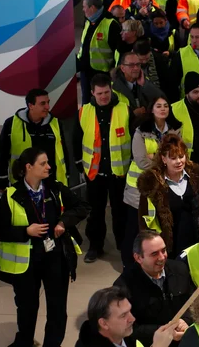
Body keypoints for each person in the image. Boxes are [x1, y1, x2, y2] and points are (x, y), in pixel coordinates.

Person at [0, 147, 89, 347]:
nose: (49, 167)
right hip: (26, 263)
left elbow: (82, 206)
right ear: (28, 167)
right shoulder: (12, 194)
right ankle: (25, 342)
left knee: (57, 308)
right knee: (27, 307)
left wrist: (63, 222)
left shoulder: (54, 188)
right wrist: (25, 232)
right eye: (43, 163)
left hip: (55, 257)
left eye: (48, 162)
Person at [74, 73, 132, 263]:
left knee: (120, 213)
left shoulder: (124, 109)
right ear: (92, 93)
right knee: (95, 212)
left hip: (119, 172)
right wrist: (78, 166)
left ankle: (124, 247)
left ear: (111, 90)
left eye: (106, 92)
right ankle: (95, 246)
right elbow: (76, 139)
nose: (104, 97)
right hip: (94, 172)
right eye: (99, 94)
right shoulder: (84, 112)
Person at [123, 97, 182, 267]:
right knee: (135, 228)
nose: (163, 109)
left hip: (163, 188)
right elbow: (141, 160)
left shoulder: (175, 130)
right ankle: (129, 263)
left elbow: (177, 155)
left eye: (166, 106)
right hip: (139, 190)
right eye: (158, 106)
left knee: (157, 227)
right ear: (152, 109)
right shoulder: (140, 131)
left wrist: (155, 157)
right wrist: (164, 160)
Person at [114, 231, 194, 347]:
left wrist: (186, 320)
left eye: (164, 250)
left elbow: (193, 301)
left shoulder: (179, 269)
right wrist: (163, 331)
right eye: (154, 254)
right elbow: (126, 328)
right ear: (138, 258)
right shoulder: (122, 288)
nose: (162, 257)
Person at [137, 134, 199, 256]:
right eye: (173, 158)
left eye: (181, 156)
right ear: (163, 159)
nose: (179, 161)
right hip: (169, 248)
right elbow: (144, 220)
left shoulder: (196, 175)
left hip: (196, 242)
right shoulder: (151, 184)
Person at [0, 89, 69, 193]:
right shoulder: (11, 124)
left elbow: (63, 150)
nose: (47, 107)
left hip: (51, 182)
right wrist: (1, 180)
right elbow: (2, 154)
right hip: (24, 183)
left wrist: (68, 174)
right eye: (42, 103)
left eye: (48, 102)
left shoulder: (55, 123)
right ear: (31, 106)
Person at [75, 286, 176, 347]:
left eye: (129, 311)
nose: (132, 319)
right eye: (123, 315)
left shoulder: (123, 335)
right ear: (104, 323)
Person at [79, 0, 121, 98]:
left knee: (101, 101)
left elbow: (118, 50)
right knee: (86, 102)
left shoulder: (111, 24)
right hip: (85, 71)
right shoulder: (89, 21)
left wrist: (115, 69)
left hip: (102, 74)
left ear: (92, 7)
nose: (83, 9)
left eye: (84, 7)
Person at [113, 51, 166, 117]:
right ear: (123, 68)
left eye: (138, 64)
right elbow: (112, 116)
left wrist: (145, 85)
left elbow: (163, 101)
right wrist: (132, 114)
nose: (136, 68)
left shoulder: (145, 81)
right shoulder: (113, 88)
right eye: (131, 65)